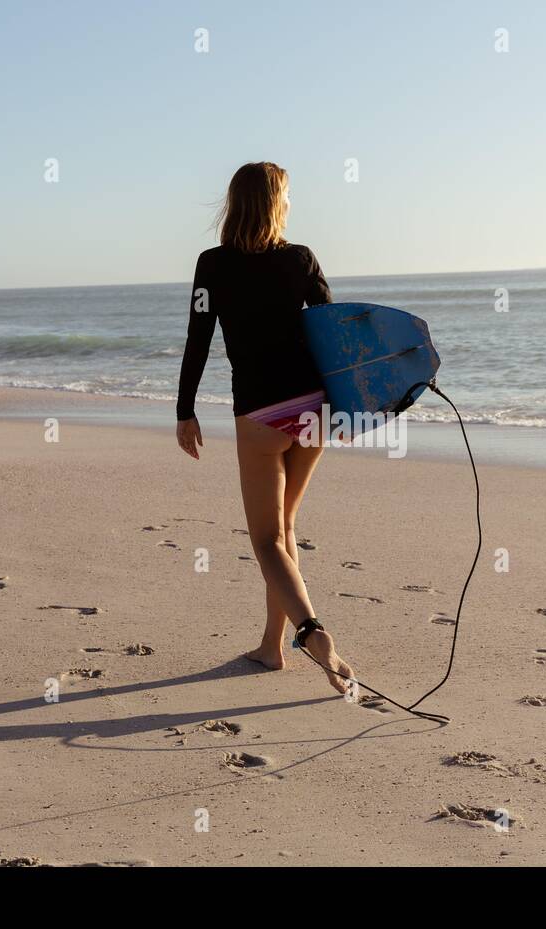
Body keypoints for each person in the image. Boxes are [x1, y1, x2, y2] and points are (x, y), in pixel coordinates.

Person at [175, 161, 354, 694]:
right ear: (276, 203)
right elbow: (334, 336)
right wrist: (347, 407)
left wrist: (185, 410)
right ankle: (271, 647)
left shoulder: (212, 264)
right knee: (286, 529)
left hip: (259, 412)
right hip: (312, 409)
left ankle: (311, 633)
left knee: (265, 538)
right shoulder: (301, 259)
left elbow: (198, 339)